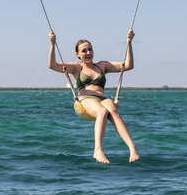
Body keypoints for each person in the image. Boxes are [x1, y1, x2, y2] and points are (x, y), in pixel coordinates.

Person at [48, 29, 140, 164]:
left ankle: (132, 148)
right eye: (84, 51)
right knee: (102, 112)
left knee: (113, 110)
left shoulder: (102, 65)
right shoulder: (76, 68)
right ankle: (98, 150)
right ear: (78, 54)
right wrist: (52, 43)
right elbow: (52, 65)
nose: (88, 53)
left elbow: (128, 65)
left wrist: (129, 42)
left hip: (103, 99)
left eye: (90, 49)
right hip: (85, 100)